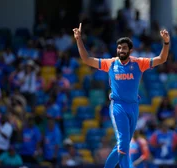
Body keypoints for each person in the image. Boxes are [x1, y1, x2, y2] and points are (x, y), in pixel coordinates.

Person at [73, 23, 170, 168]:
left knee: (124, 145)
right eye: (119, 48)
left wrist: (166, 42)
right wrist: (79, 40)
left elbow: (162, 59)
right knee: (124, 142)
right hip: (118, 106)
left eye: (124, 48)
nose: (121, 50)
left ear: (130, 50)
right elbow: (87, 59)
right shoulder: (110, 63)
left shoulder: (139, 63)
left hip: (133, 106)